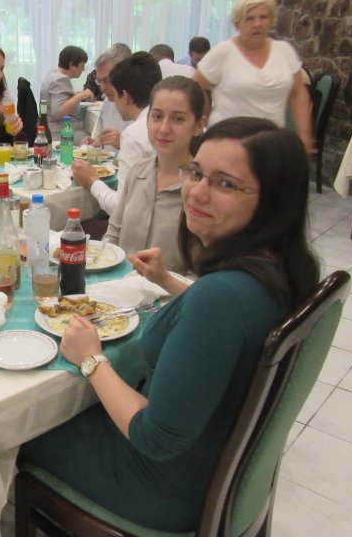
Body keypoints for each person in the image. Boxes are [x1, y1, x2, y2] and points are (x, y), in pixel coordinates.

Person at [20, 117, 319, 532]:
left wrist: (90, 360)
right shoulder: (282, 270)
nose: (197, 191)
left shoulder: (221, 298)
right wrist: (168, 281)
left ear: (273, 201)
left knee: (19, 427)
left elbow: (155, 438)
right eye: (196, 172)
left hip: (159, 485)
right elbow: (227, 328)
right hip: (214, 466)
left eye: (226, 184)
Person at [104, 76, 206, 274]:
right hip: (119, 287)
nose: (164, 129)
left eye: (178, 119)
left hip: (170, 292)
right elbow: (114, 233)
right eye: (157, 116)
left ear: (198, 125)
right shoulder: (138, 171)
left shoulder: (201, 189)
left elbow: (199, 271)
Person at [193, 0, 313, 154]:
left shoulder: (285, 51)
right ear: (238, 23)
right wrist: (203, 122)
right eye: (249, 18)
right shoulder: (223, 52)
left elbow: (298, 93)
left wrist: (304, 134)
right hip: (227, 142)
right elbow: (194, 88)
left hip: (271, 142)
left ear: (271, 20)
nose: (257, 24)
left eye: (263, 17)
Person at [72, 51, 162, 216]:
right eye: (100, 81)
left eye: (110, 82)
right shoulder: (161, 123)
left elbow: (120, 208)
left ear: (124, 96)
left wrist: (91, 180)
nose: (104, 88)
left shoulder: (135, 134)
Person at [83, 43, 132, 150]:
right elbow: (104, 140)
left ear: (125, 74)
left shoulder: (142, 105)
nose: (102, 88)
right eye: (99, 81)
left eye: (108, 80)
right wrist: (95, 143)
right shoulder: (108, 101)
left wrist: (122, 143)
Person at [40, 45, 95, 137]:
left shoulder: (53, 74)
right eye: (82, 65)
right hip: (59, 133)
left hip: (52, 130)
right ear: (72, 64)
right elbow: (58, 112)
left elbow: (60, 99)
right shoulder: (60, 79)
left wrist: (76, 95)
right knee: (94, 137)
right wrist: (80, 96)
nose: (84, 69)